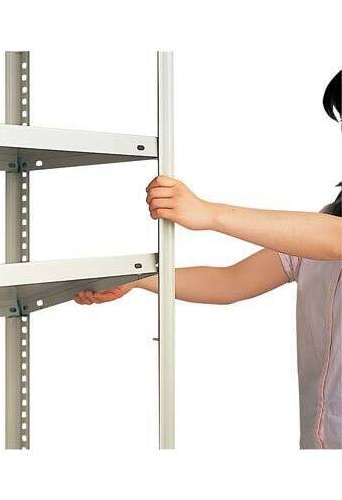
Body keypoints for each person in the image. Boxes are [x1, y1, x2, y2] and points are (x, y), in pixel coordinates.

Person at [75, 71, 342, 449]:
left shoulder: (326, 233)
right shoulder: (323, 221)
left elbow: (335, 241)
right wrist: (138, 280)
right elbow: (231, 281)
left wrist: (207, 213)